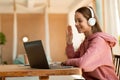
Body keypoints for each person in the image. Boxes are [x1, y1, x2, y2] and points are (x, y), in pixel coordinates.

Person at [62, 6, 119, 80]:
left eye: (79, 20)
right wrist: (69, 43)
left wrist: (67, 62)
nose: (76, 24)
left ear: (91, 21)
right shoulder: (86, 41)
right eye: (75, 21)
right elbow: (73, 58)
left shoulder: (99, 41)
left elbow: (83, 63)